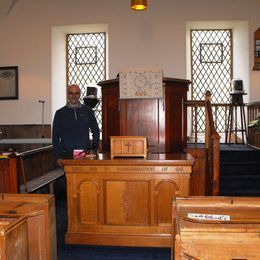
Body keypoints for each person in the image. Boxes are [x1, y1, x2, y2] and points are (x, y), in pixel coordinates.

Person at [52, 84, 100, 162]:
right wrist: (58, 156)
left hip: (85, 154)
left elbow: (95, 130)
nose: (74, 96)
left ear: (79, 95)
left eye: (76, 93)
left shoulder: (88, 111)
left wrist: (94, 149)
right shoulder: (60, 113)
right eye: (71, 93)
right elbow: (55, 137)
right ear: (67, 95)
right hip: (66, 155)